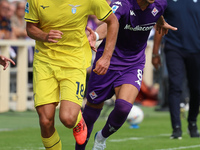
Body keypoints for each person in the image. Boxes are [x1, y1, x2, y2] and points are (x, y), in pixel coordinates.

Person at [76, 0, 177, 150]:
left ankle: (101, 138)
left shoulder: (160, 3)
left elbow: (157, 12)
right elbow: (110, 23)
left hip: (133, 64)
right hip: (107, 62)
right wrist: (96, 35)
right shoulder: (122, 3)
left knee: (123, 108)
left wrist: (160, 22)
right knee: (90, 113)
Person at [24, 0, 119, 149]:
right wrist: (44, 36)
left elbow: (113, 21)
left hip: (74, 62)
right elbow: (30, 28)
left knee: (68, 119)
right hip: (44, 61)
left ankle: (77, 119)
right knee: (45, 121)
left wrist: (107, 57)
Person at [152, 0, 200, 139]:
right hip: (174, 48)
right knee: (175, 86)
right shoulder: (167, 2)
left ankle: (192, 122)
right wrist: (155, 53)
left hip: (197, 50)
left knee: (196, 89)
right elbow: (160, 26)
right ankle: (176, 128)